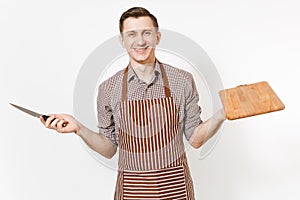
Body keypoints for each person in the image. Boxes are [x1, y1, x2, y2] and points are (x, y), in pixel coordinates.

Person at [40, 7, 226, 200]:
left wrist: (222, 113)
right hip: (131, 190)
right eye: (132, 34)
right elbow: (109, 148)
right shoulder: (108, 88)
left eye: (147, 33)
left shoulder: (182, 80)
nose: (140, 41)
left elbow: (196, 139)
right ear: (122, 41)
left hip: (176, 188)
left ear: (157, 37)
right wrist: (78, 128)